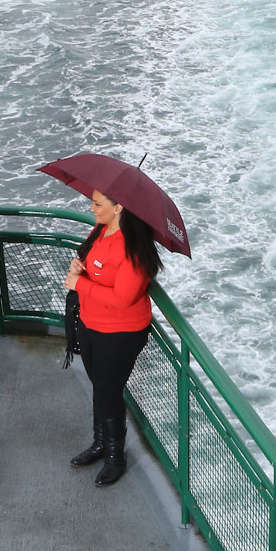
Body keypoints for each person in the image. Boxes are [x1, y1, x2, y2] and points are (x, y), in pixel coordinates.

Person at [63, 187, 161, 487]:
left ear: (119, 207)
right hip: (91, 323)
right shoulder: (100, 229)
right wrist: (79, 267)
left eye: (97, 203)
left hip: (120, 332)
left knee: (108, 390)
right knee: (101, 386)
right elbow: (90, 263)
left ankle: (115, 457)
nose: (91, 208)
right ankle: (101, 443)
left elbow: (123, 298)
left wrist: (80, 284)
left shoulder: (134, 247)